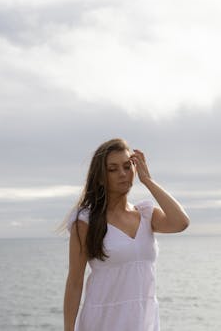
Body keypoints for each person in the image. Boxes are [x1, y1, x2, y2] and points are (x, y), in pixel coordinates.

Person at [63, 138, 190, 331]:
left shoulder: (147, 215)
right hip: (102, 322)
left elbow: (181, 222)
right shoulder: (86, 221)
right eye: (112, 169)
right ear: (100, 177)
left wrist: (148, 180)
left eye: (127, 166)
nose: (122, 174)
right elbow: (74, 282)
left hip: (143, 322)